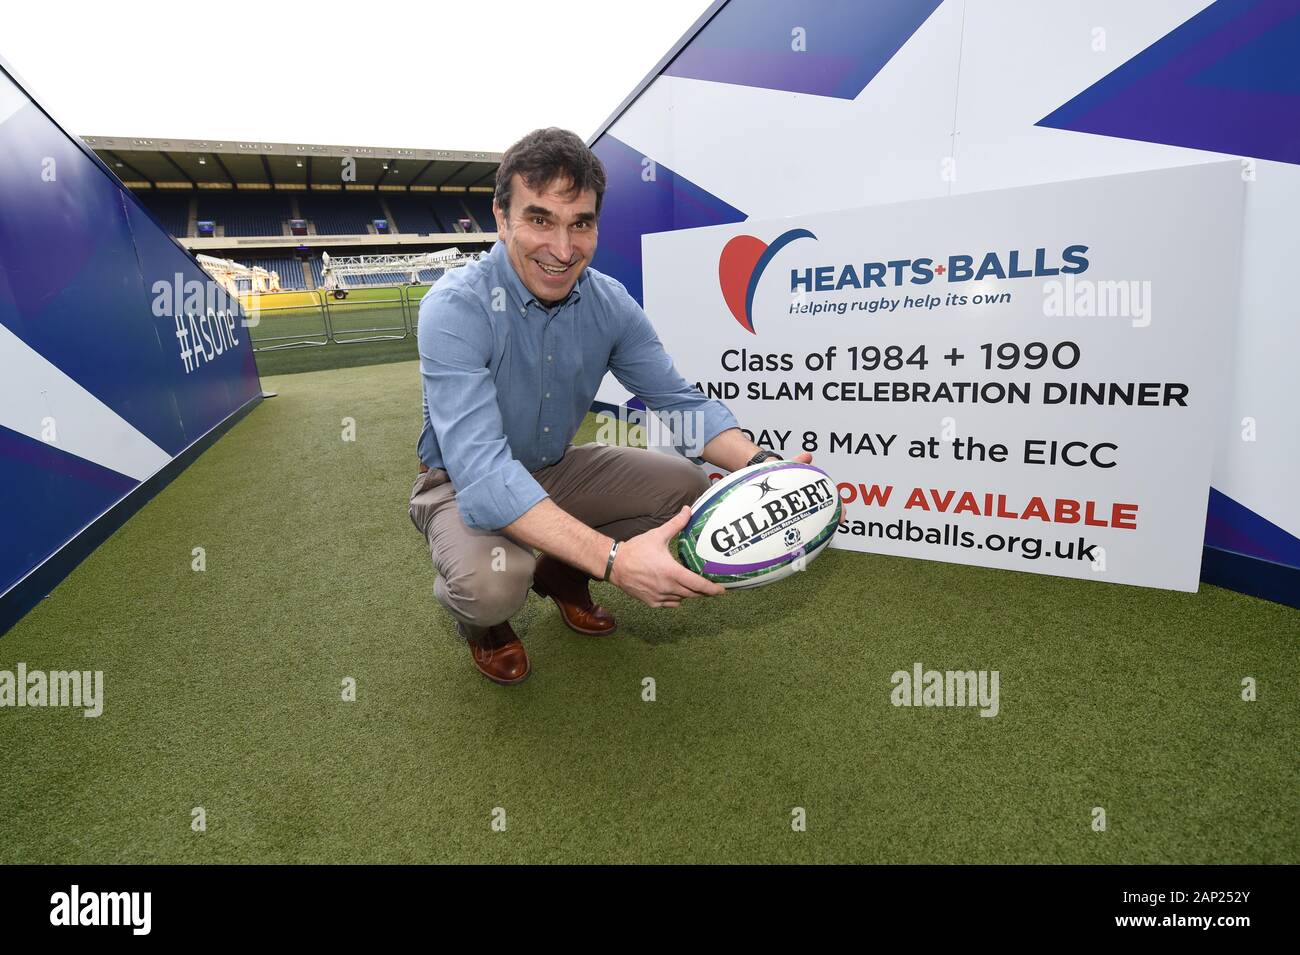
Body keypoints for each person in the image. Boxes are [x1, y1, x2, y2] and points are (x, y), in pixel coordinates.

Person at [409, 127, 810, 685]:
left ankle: (564, 574)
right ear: (501, 219)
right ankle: (488, 627)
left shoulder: (609, 301)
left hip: (554, 466)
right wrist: (616, 562)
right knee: (492, 586)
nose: (563, 248)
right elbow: (484, 473)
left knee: (685, 490)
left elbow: (677, 400)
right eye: (540, 219)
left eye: (581, 223)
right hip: (459, 483)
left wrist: (759, 463)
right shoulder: (454, 308)